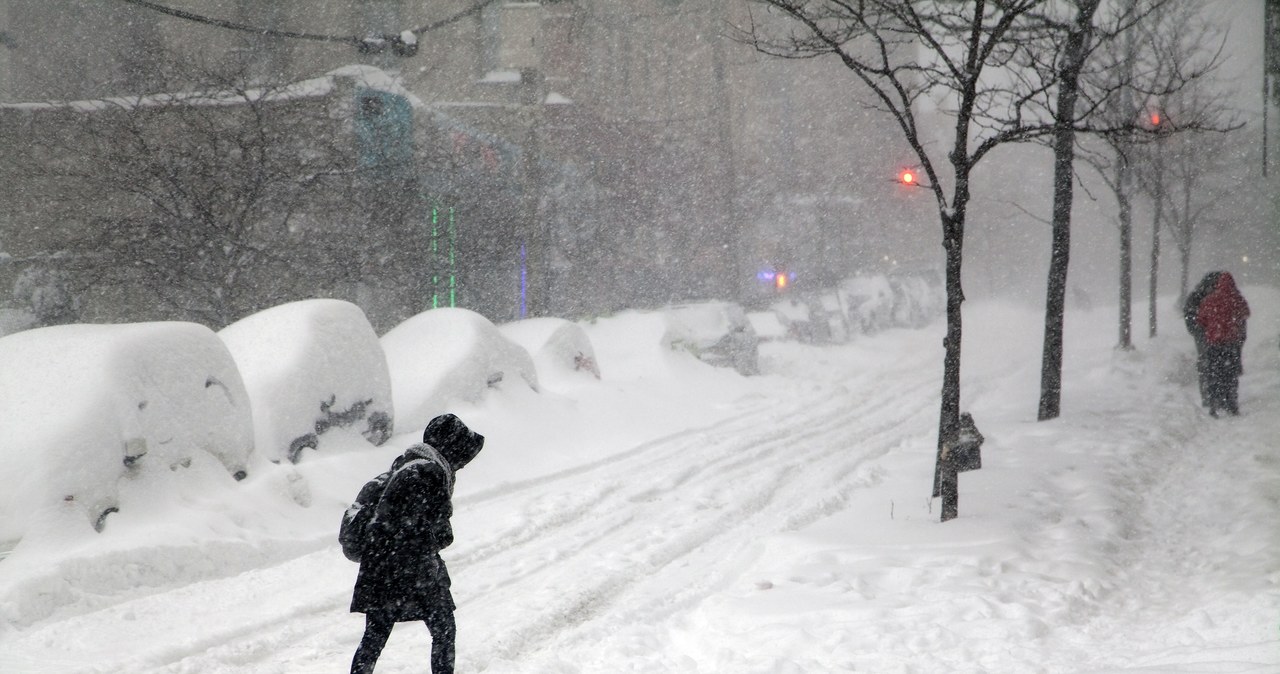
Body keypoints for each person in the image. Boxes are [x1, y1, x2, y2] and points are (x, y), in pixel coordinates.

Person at [350, 413, 485, 674]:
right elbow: (439, 531)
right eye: (462, 456)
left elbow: (392, 520)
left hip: (380, 569)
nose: (463, 464)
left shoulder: (403, 466)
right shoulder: (430, 473)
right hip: (413, 569)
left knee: (374, 637)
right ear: (451, 447)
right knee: (444, 630)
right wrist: (431, 541)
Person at [1194, 272, 1250, 417]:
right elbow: (1246, 313)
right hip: (1231, 344)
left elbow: (1201, 320)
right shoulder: (1237, 299)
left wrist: (1211, 329)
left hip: (1214, 344)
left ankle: (1213, 404)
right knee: (1230, 374)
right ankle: (1231, 403)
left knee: (1214, 373)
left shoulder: (1210, 300)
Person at [1182, 271, 1221, 407]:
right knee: (1214, 363)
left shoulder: (1197, 296)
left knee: (1206, 364)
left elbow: (1188, 313)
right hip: (1213, 336)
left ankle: (1208, 396)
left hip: (1206, 335)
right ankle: (1215, 395)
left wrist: (1197, 330)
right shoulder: (1218, 295)